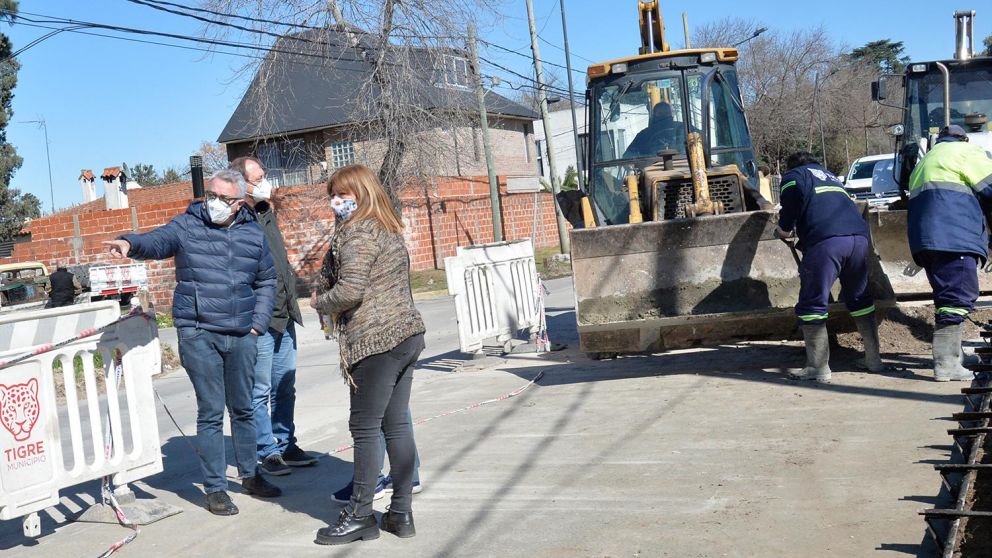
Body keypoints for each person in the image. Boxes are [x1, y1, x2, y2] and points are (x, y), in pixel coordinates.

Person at [103, 169, 281, 516]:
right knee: (211, 411)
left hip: (242, 334)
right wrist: (129, 243)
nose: (213, 203)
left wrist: (257, 325)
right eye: (210, 195)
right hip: (199, 332)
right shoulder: (186, 225)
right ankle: (215, 488)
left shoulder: (252, 234)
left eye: (223, 199)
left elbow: (267, 281)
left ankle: (250, 474)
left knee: (244, 408)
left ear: (238, 203)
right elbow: (157, 241)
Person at [312, 164, 426, 545]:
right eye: (332, 195)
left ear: (360, 192)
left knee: (364, 429)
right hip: (406, 336)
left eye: (342, 195)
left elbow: (350, 291)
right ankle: (400, 513)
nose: (336, 202)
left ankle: (360, 515)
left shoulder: (358, 232)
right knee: (395, 427)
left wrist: (320, 302)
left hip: (376, 343)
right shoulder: (387, 227)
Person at [230, 156, 316, 475]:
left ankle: (285, 443)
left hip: (283, 314)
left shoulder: (266, 213)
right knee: (259, 389)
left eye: (265, 175)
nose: (266, 183)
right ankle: (266, 450)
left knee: (284, 385)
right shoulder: (234, 221)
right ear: (240, 185)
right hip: (258, 320)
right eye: (259, 178)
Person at [774, 151, 884, 382]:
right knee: (860, 299)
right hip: (858, 239)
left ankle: (818, 367)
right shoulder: (831, 176)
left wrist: (783, 230)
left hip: (827, 242)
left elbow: (790, 206)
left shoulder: (794, 176)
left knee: (812, 302)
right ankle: (874, 360)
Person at [907, 124, 992, 381]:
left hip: (926, 242)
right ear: (963, 140)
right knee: (957, 297)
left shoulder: (925, 162)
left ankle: (954, 355)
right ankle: (946, 365)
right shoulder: (967, 153)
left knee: (947, 297)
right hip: (954, 237)